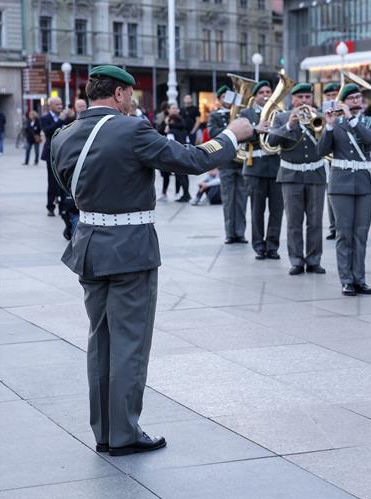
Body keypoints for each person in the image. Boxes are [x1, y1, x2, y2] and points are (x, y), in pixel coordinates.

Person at [50, 65, 252, 456]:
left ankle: (105, 431)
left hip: (89, 246)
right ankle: (125, 434)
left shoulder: (65, 135)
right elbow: (192, 160)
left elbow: (66, 185)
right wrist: (232, 135)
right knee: (129, 344)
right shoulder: (131, 130)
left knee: (101, 343)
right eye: (131, 96)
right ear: (121, 94)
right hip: (129, 249)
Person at [318, 82, 371, 296]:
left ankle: (359, 279)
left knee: (360, 233)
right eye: (350, 98)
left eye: (358, 98)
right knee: (344, 233)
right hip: (340, 184)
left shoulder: (369, 120)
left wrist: (352, 119)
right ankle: (346, 279)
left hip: (364, 183)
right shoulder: (335, 123)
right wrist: (328, 126)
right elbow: (322, 150)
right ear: (342, 102)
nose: (355, 101)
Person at [268, 82, 328, 275]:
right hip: (291, 175)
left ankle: (313, 260)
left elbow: (328, 142)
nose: (304, 101)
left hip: (315, 174)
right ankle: (296, 260)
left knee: (315, 221)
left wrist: (323, 123)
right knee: (294, 222)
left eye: (307, 97)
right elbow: (272, 140)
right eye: (300, 97)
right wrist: (290, 125)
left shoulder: (320, 117)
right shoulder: (281, 117)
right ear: (292, 99)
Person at [240, 80, 283, 260]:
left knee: (276, 210)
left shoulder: (279, 113)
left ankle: (272, 246)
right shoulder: (246, 113)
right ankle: (259, 246)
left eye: (268, 92)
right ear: (255, 96)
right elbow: (240, 137)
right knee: (257, 210)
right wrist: (256, 130)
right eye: (262, 92)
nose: (265, 95)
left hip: (276, 168)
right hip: (255, 169)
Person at [209, 85, 248, 244]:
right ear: (219, 99)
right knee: (228, 200)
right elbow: (213, 133)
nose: (227, 99)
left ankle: (240, 232)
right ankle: (229, 233)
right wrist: (232, 128)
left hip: (241, 162)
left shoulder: (241, 114)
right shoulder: (215, 116)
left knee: (241, 199)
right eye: (224, 96)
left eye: (229, 96)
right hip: (226, 162)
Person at [41, 97, 75, 216]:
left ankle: (63, 207)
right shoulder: (45, 118)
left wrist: (72, 117)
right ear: (50, 105)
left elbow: (73, 129)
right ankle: (50, 206)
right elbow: (47, 132)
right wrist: (60, 120)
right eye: (57, 104)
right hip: (51, 153)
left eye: (61, 104)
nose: (60, 106)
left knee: (63, 180)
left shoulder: (65, 117)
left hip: (64, 153)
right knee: (52, 181)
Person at [157, 103, 191, 203]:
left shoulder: (180, 119)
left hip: (179, 149)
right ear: (168, 110)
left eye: (176, 108)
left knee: (181, 173)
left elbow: (182, 126)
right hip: (168, 151)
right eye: (173, 108)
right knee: (167, 174)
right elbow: (160, 131)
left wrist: (170, 126)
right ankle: (165, 193)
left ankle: (183, 193)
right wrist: (166, 124)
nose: (175, 110)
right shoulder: (165, 119)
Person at [323, 82, 340, 241]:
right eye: (328, 96)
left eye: (333, 95)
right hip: (327, 160)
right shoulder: (320, 114)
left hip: (342, 158)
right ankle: (333, 227)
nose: (331, 98)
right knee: (331, 195)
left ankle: (342, 226)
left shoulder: (344, 114)